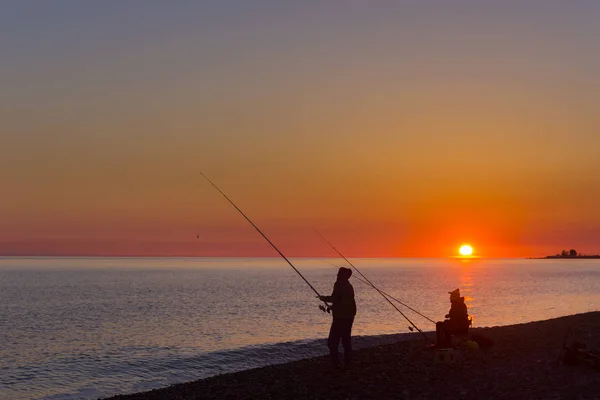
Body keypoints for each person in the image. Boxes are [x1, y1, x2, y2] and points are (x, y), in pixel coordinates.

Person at [318, 267, 356, 368]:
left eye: (338, 274)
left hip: (340, 319)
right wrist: (332, 307)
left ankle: (336, 365)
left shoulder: (339, 284)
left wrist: (323, 298)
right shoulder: (349, 286)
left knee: (332, 342)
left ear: (342, 275)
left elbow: (334, 298)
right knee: (346, 341)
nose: (337, 275)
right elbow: (343, 301)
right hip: (349, 317)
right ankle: (348, 364)